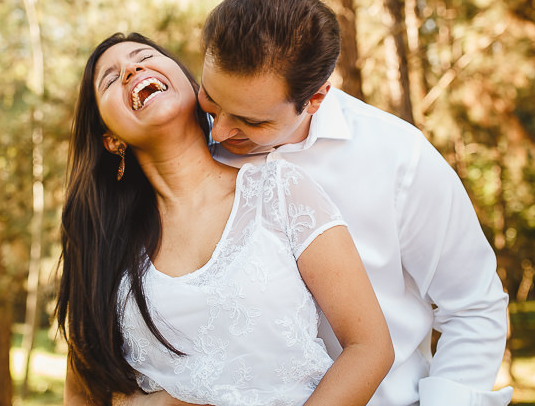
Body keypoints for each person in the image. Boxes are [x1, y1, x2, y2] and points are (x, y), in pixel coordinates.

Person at [191, 0, 514, 406]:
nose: (221, 129)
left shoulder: (399, 158)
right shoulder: (191, 151)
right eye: (211, 99)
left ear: (317, 97)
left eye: (252, 122)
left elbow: (474, 307)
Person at [55, 32, 394, 406]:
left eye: (144, 56)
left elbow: (369, 348)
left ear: (195, 87)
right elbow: (84, 391)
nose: (132, 69)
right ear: (110, 139)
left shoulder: (280, 191)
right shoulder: (105, 247)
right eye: (110, 78)